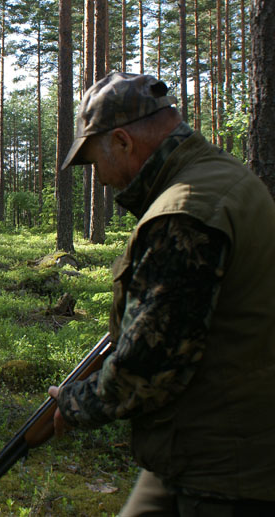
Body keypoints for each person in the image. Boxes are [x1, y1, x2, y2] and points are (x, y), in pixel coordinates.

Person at [48, 72, 275, 516]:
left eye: (95, 162)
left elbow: (148, 367)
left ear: (123, 142)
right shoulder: (223, 177)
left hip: (224, 471)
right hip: (200, 443)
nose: (99, 181)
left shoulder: (186, 211)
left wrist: (74, 404)